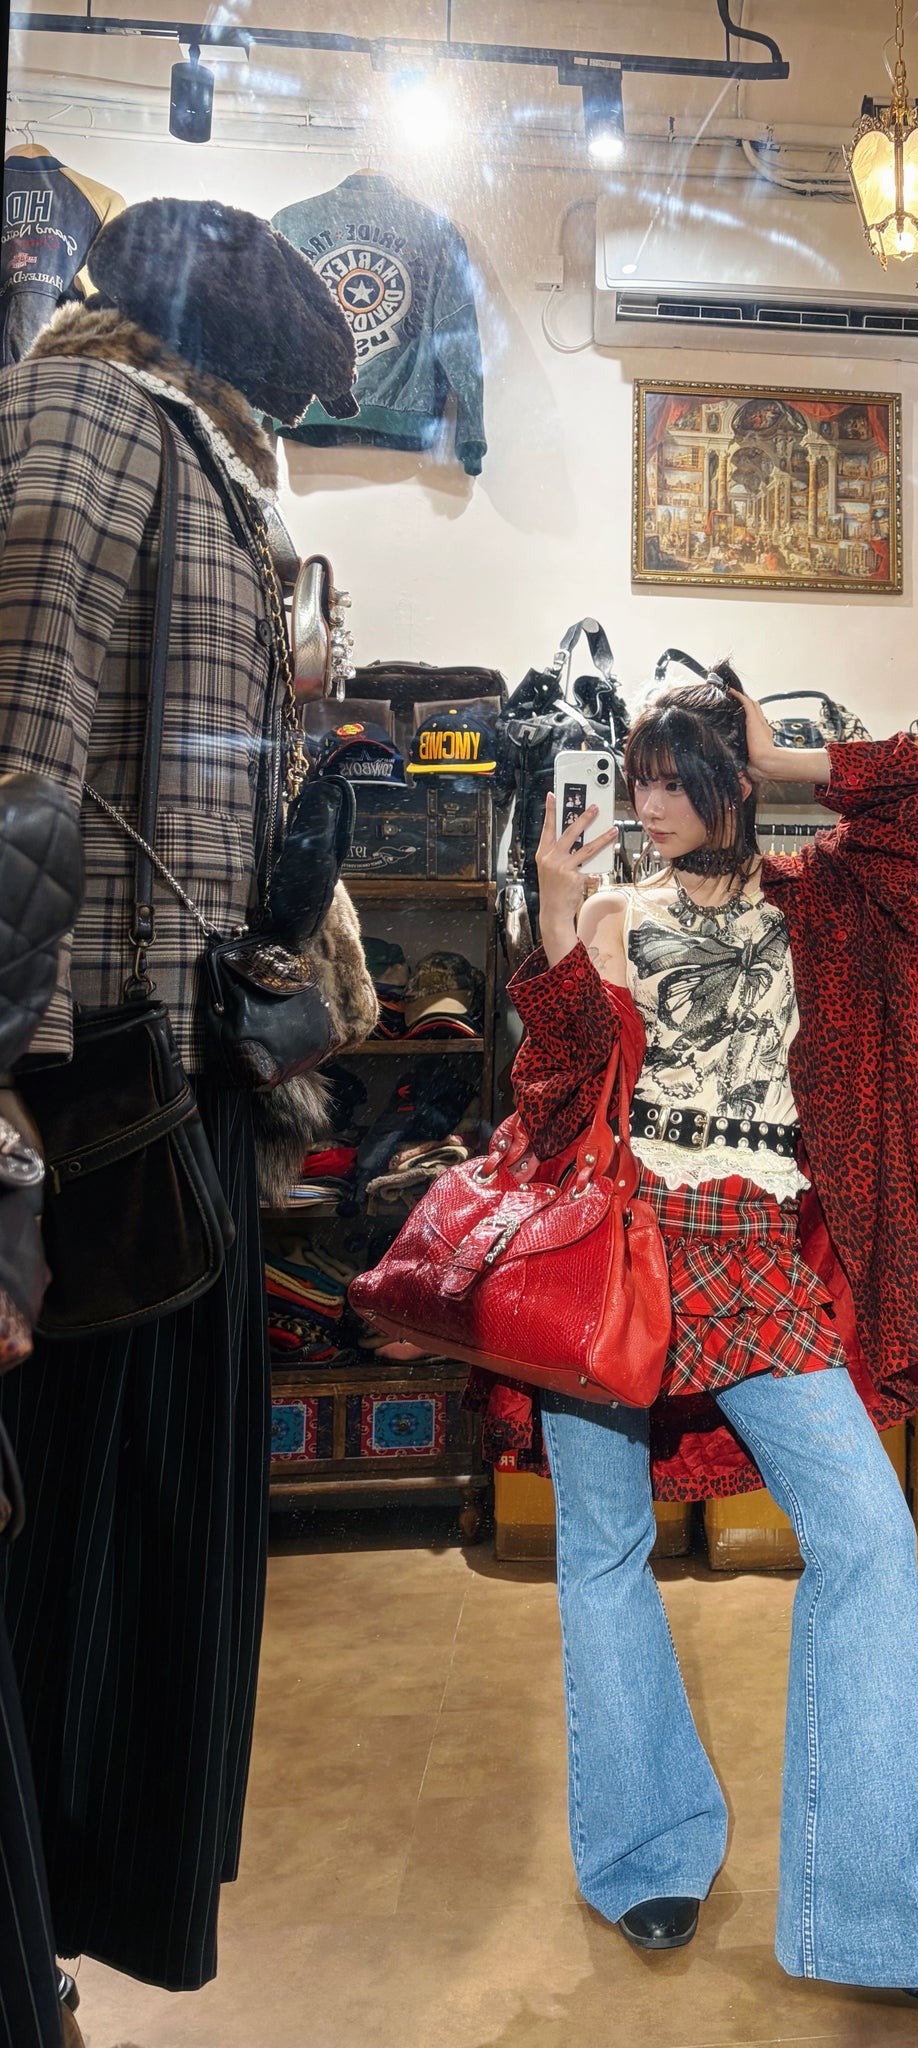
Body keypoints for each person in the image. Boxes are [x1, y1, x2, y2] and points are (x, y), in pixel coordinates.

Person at [497, 670, 918, 2004]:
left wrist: (785, 758)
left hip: (754, 1252)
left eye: (678, 776)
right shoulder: (613, 912)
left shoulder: (827, 901)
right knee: (602, 1549)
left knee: (867, 1534)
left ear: (731, 783)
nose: (650, 803)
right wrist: (556, 927)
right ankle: (644, 1855)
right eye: (640, 778)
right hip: (617, 1251)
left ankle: (887, 1913)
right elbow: (554, 1097)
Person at [0, 197, 356, 1998]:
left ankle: (55, 1954)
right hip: (80, 1104)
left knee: (145, 1587)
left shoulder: (214, 475)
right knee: (60, 1569)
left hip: (181, 1094)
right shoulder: (90, 415)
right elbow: (16, 759)